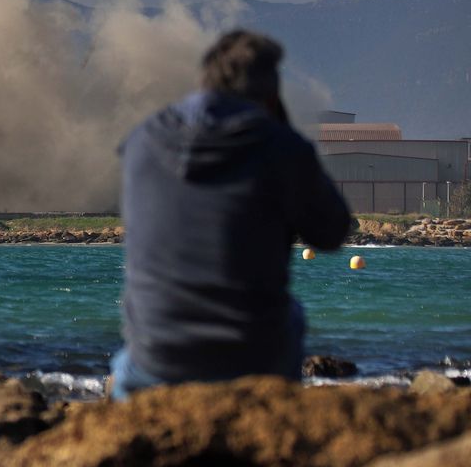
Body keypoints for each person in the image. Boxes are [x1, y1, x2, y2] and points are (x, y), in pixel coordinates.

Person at [110, 30, 351, 399]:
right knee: (293, 315)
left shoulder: (142, 140)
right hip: (252, 361)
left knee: (127, 361)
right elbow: (332, 232)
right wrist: (287, 142)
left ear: (205, 78)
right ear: (271, 94)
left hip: (156, 361)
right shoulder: (280, 146)